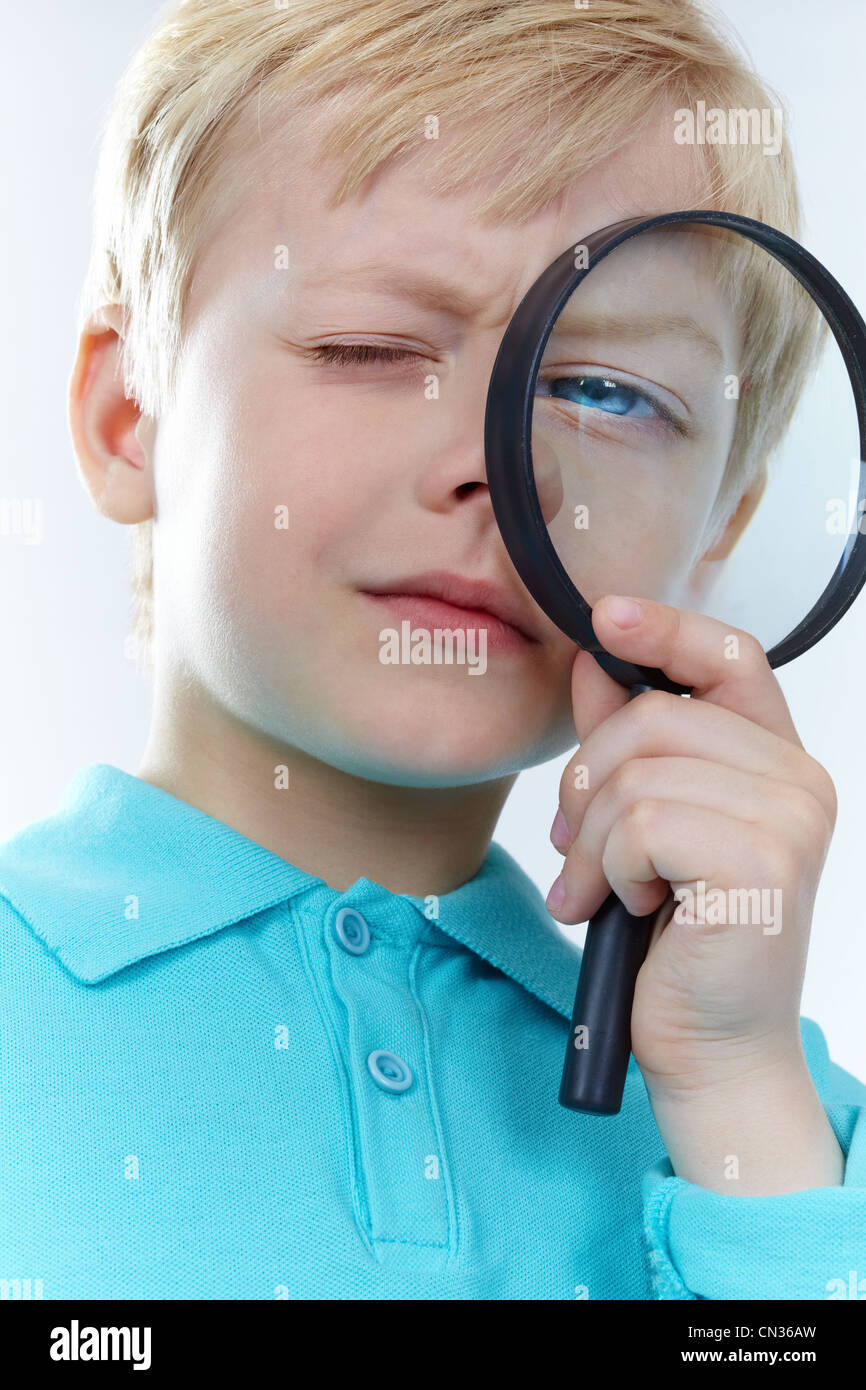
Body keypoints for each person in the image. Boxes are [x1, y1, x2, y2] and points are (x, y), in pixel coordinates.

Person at [1, 0, 863, 1300]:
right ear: (133, 417)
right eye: (371, 348)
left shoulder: (792, 1134)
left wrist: (737, 1099)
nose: (489, 461)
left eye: (606, 392)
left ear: (716, 537)